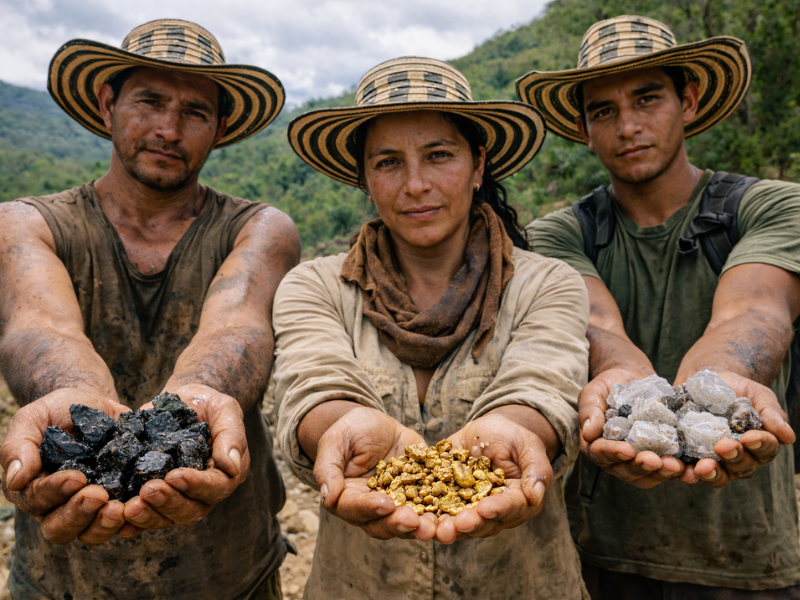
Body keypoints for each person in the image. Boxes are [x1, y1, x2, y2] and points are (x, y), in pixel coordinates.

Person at [0, 19, 299, 600]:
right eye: (150, 101)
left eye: (195, 112)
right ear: (107, 102)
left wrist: (194, 402)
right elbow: (40, 323)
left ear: (220, 127)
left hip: (229, 575)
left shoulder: (260, 229)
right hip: (64, 578)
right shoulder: (27, 224)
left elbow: (237, 322)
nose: (168, 128)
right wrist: (72, 392)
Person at [274, 56, 591, 599]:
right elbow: (313, 381)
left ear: (478, 165)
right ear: (364, 178)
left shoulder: (546, 283)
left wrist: (513, 432)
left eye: (439, 155)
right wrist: (343, 429)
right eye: (389, 162)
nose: (415, 184)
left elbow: (544, 385)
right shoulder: (316, 286)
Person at [518, 14, 800, 598]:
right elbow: (594, 323)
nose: (627, 126)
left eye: (648, 99)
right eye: (603, 111)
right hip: (604, 555)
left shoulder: (773, 206)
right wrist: (628, 384)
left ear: (688, 101)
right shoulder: (557, 236)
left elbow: (751, 312)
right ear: (584, 128)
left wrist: (721, 381)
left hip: (748, 556)